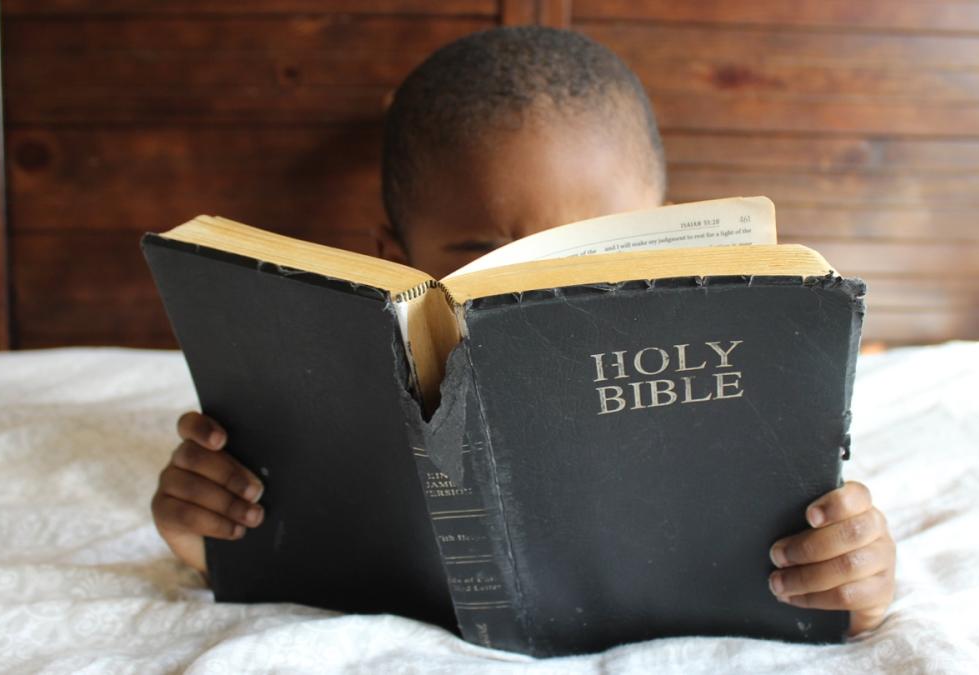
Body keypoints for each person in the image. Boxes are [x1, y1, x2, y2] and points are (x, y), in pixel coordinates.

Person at [151, 26, 896, 637]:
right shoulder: (335, 401)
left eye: (599, 249)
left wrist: (849, 580)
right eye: (487, 258)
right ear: (393, 258)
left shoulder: (739, 391)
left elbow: (830, 569)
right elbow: (278, 546)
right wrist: (213, 536)